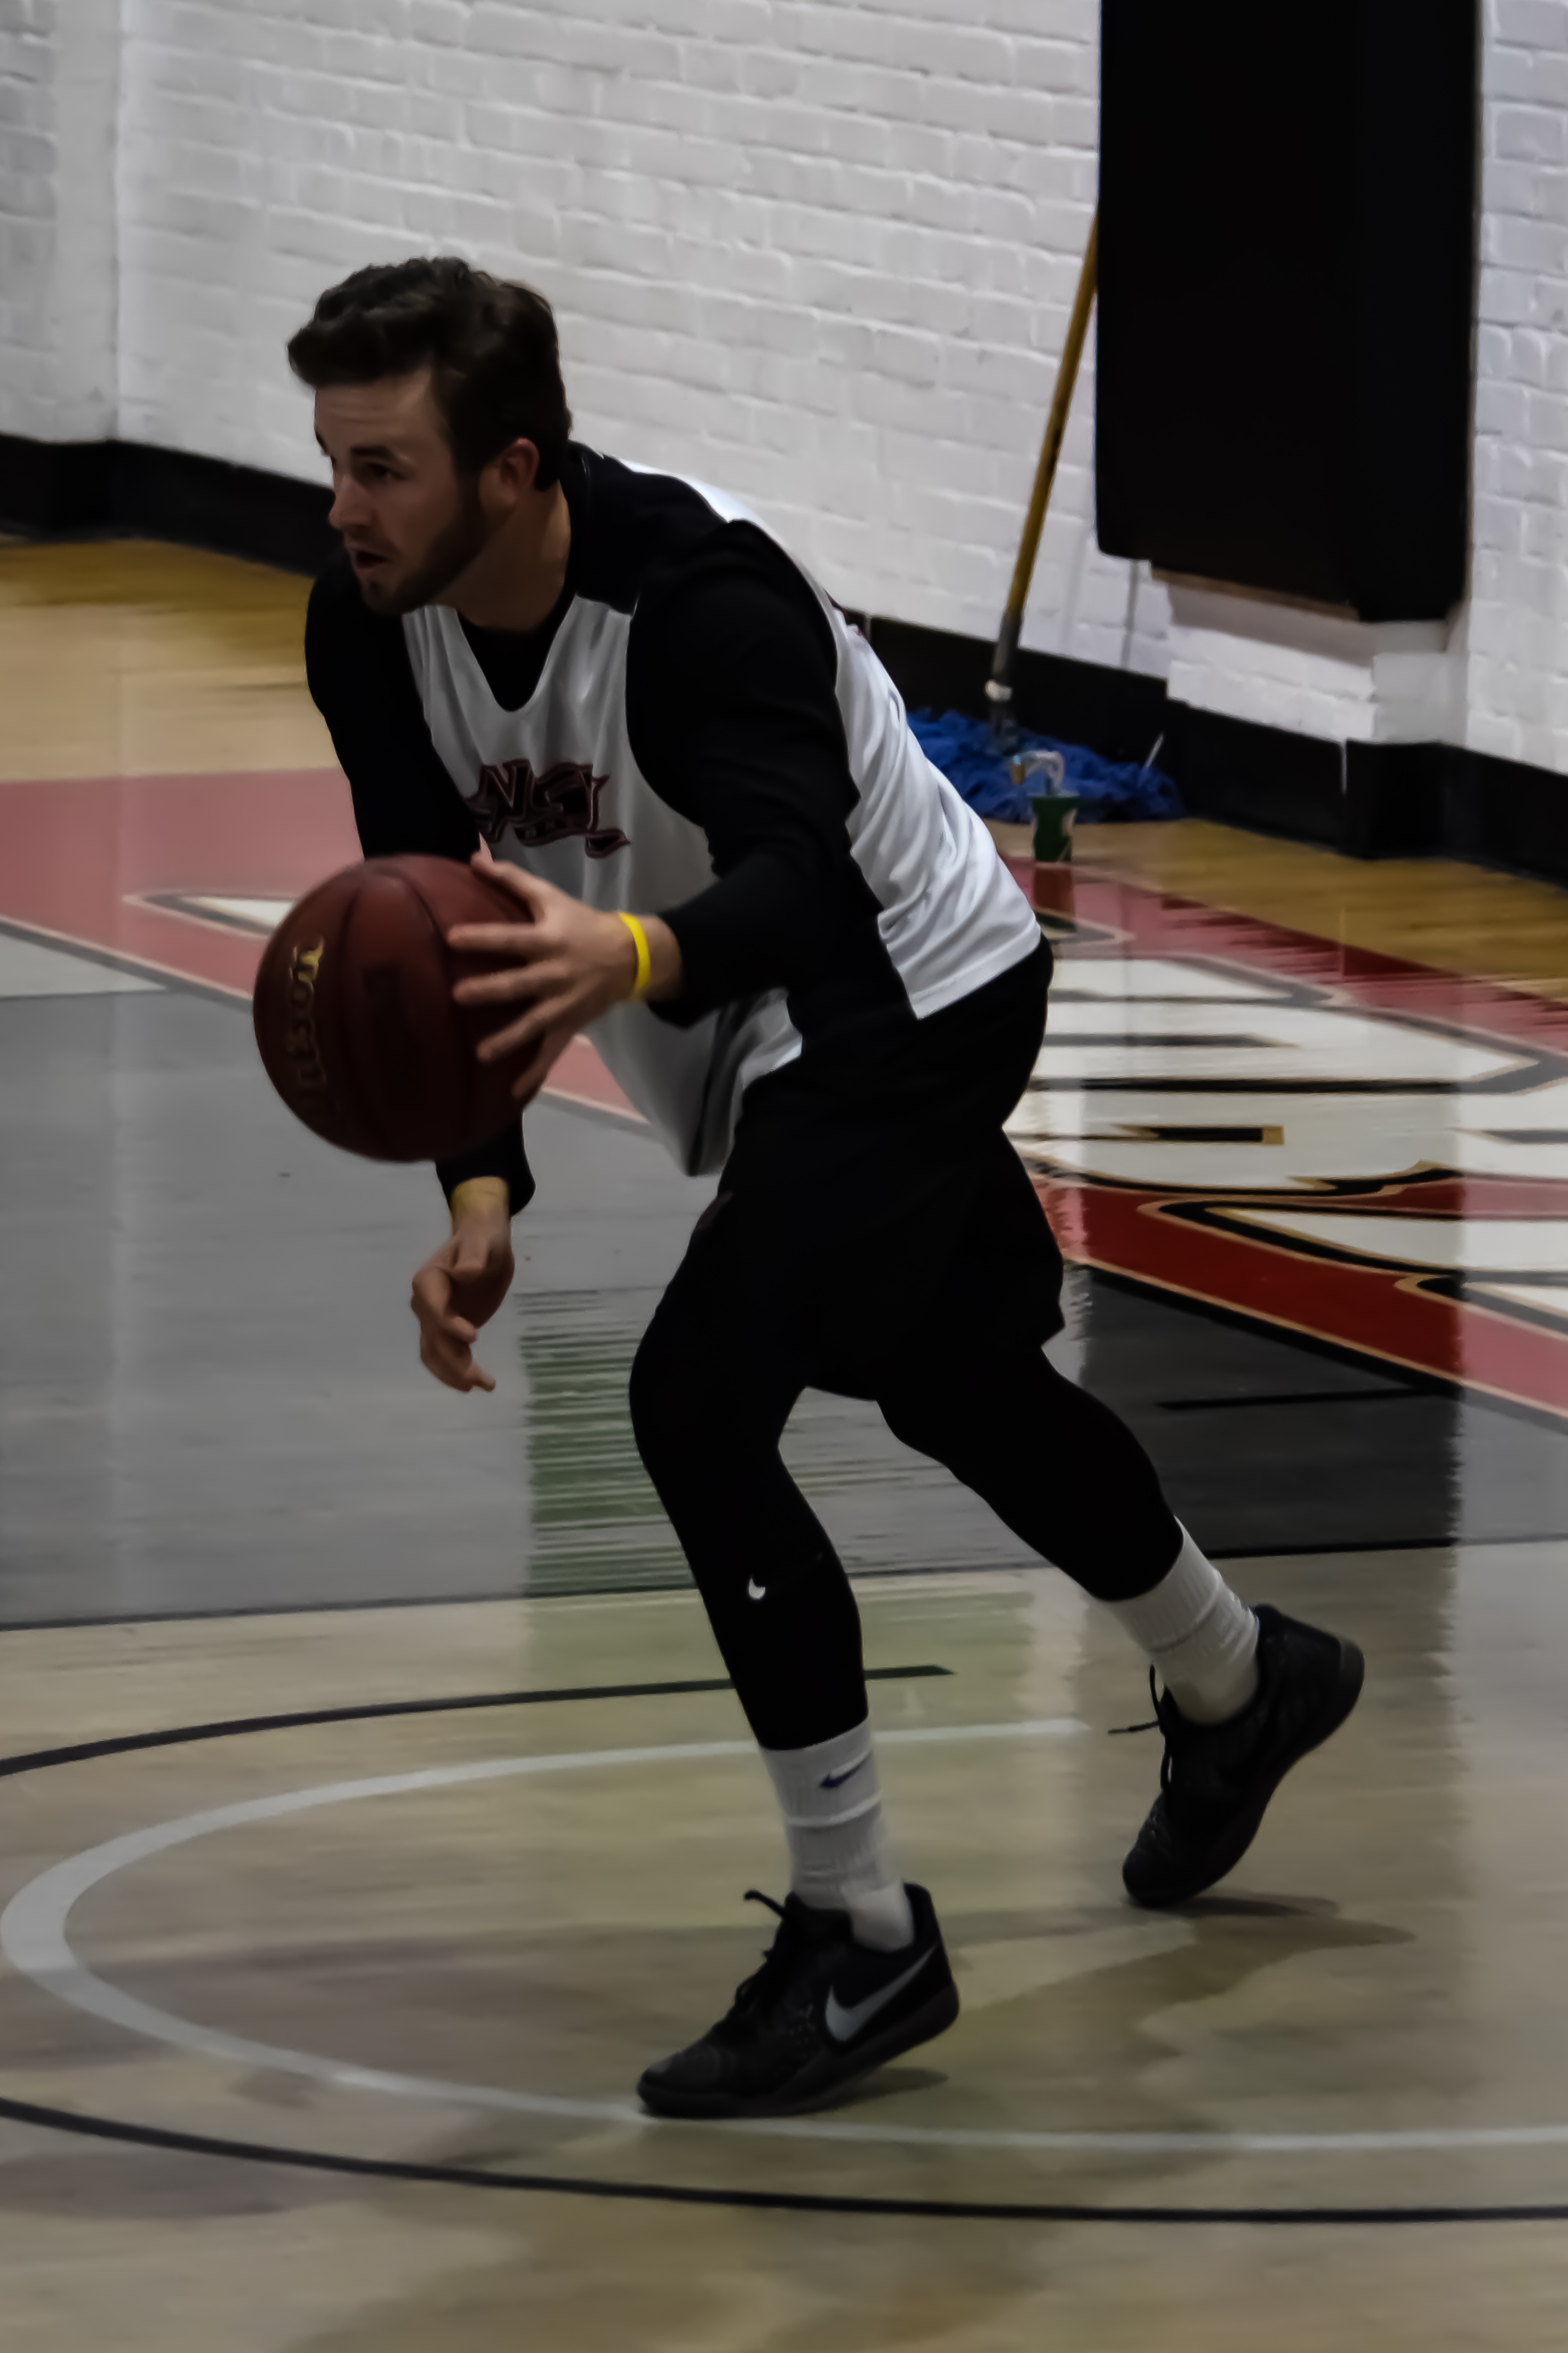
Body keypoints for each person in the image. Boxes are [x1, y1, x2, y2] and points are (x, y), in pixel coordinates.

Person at [290, 257, 1363, 2121]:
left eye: (382, 467)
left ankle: (865, 1941)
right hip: (741, 1007)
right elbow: (434, 924)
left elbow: (800, 884)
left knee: (694, 1402)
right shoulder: (368, 620)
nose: (342, 508)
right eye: (332, 460)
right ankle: (1237, 1674)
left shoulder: (702, 603)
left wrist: (631, 946)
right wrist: (480, 1190)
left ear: (518, 468)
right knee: (947, 1375)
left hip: (908, 985)